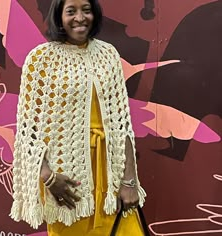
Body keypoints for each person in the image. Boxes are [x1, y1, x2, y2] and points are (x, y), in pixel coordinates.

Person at [10, 0, 147, 235]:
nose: (80, 18)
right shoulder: (40, 59)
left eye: (86, 10)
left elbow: (122, 126)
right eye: (71, 11)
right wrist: (48, 177)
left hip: (110, 176)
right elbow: (27, 131)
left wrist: (129, 181)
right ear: (59, 16)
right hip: (69, 178)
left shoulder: (108, 55)